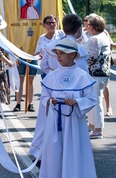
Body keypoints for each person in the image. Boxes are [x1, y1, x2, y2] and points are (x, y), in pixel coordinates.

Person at [37, 37, 99, 178]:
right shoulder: (52, 76)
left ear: (73, 54)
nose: (58, 56)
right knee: (55, 152)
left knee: (74, 152)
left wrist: (77, 102)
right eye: (57, 53)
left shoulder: (82, 76)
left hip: (74, 122)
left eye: (62, 53)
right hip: (57, 121)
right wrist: (51, 101)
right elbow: (44, 97)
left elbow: (91, 99)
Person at [29, 13, 88, 158]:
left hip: (53, 89)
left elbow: (43, 65)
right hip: (72, 93)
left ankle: (43, 154)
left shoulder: (51, 46)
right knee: (71, 127)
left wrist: (54, 76)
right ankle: (70, 155)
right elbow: (83, 75)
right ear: (79, 29)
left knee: (47, 122)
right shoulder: (79, 50)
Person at [84, 14, 112, 139]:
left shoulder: (95, 39)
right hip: (101, 74)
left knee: (95, 101)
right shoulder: (103, 36)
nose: (87, 27)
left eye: (89, 24)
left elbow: (92, 57)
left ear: (93, 27)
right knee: (93, 100)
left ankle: (98, 129)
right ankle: (92, 125)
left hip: (96, 74)